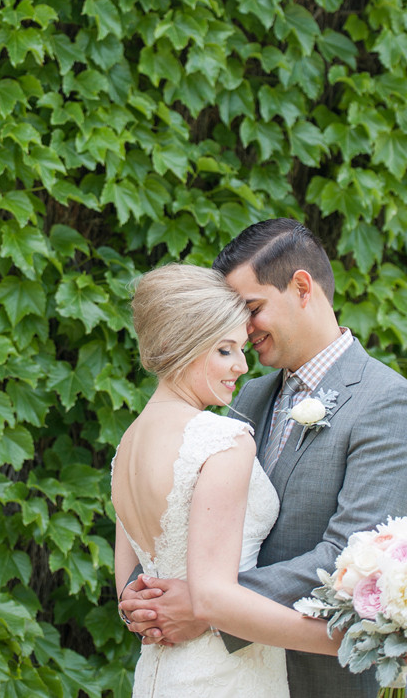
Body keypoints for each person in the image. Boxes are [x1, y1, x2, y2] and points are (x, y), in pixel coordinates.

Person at [119, 219, 407, 698]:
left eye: (252, 309)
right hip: (227, 675)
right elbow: (173, 505)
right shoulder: (244, 396)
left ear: (300, 287)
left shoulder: (386, 401)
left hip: (319, 676)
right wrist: (143, 594)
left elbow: (347, 555)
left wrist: (208, 607)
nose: (244, 330)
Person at [112, 262, 339, 698]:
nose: (240, 365)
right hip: (226, 676)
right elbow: (213, 600)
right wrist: (349, 641)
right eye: (224, 349)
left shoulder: (128, 444)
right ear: (183, 345)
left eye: (240, 348)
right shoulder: (221, 438)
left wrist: (141, 614)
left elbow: (130, 586)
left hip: (159, 674)